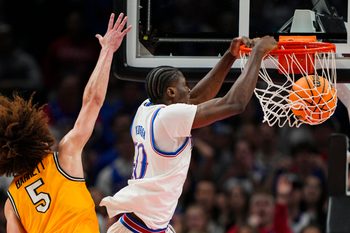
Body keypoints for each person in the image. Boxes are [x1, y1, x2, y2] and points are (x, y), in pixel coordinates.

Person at [100, 35, 277, 232]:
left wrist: (230, 56)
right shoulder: (168, 117)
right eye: (184, 85)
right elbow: (234, 103)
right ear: (171, 93)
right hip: (140, 228)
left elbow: (197, 98)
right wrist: (258, 54)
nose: (189, 89)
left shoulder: (147, 107)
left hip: (148, 225)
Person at [2, 12, 131, 232]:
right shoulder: (65, 155)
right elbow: (93, 101)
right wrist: (107, 50)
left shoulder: (11, 201)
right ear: (34, 134)